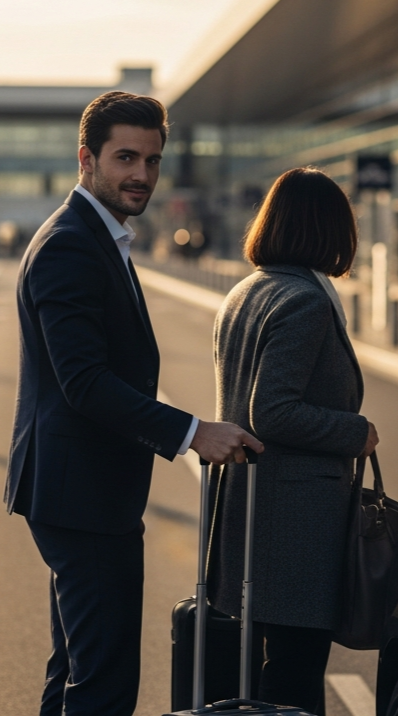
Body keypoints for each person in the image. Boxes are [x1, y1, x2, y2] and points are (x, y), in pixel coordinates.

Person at [4, 91, 264, 716]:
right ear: (86, 159)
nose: (141, 175)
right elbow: (84, 382)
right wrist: (192, 431)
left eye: (151, 160)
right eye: (126, 158)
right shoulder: (70, 244)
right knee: (105, 681)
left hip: (85, 492)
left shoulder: (99, 237)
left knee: (77, 667)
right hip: (80, 497)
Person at [207, 167, 379, 715]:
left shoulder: (246, 292)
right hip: (294, 525)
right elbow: (273, 412)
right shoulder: (303, 300)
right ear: (330, 231)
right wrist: (356, 432)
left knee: (266, 675)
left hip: (250, 514)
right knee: (295, 679)